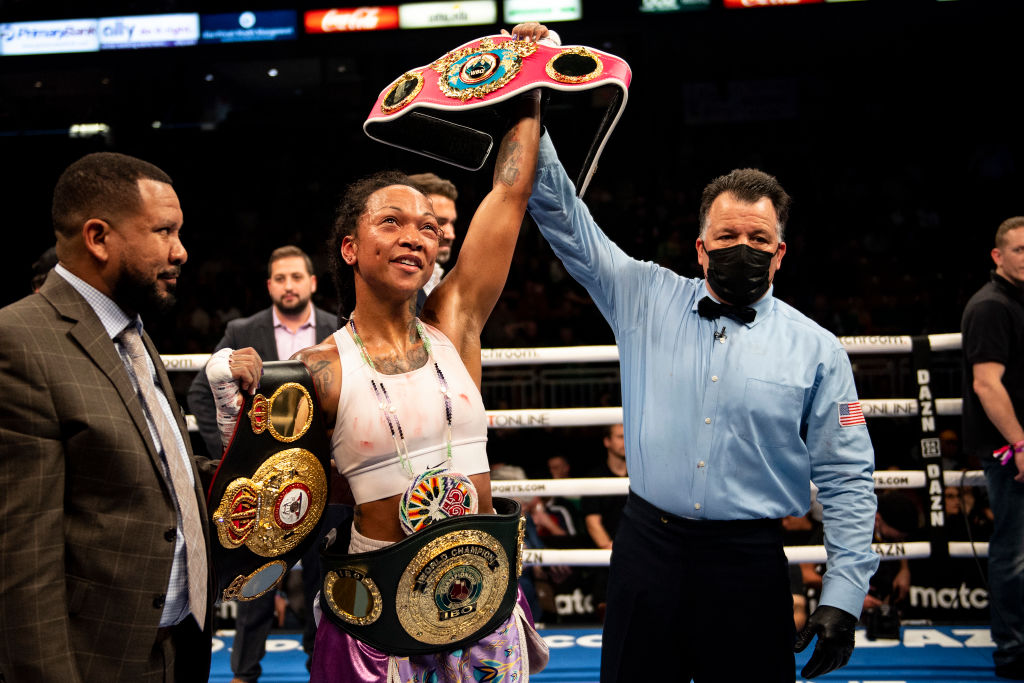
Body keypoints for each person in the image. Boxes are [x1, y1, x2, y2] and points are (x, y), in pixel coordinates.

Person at [213, 22, 551, 681]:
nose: (414, 236)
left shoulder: (455, 324)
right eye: (390, 222)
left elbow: (509, 193)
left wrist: (528, 78)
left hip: (482, 603)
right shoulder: (319, 369)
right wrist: (239, 395)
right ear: (350, 248)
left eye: (427, 227)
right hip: (379, 614)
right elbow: (279, 496)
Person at [526, 125, 879, 680]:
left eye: (759, 238)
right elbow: (565, 218)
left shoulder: (819, 350)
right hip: (647, 548)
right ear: (701, 247)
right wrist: (531, 116)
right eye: (727, 234)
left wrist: (845, 592)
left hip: (749, 562)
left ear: (780, 254)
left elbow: (847, 476)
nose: (743, 247)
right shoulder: (643, 295)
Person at [0, 152, 222, 681]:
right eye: (164, 231)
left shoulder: (131, 330)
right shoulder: (19, 340)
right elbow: (22, 559)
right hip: (98, 659)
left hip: (180, 647)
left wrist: (268, 464)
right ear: (98, 238)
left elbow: (154, 471)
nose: (181, 251)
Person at [187, 245, 340, 682]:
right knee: (253, 583)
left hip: (322, 479)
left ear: (312, 283)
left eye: (297, 277)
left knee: (323, 582)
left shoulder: (337, 330)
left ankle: (320, 670)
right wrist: (233, 454)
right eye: (281, 278)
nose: (289, 286)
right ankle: (243, 674)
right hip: (261, 484)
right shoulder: (243, 330)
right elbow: (200, 392)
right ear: (270, 285)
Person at [961, 215, 1024, 679]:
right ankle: (1014, 651)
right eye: (1019, 250)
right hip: (1011, 450)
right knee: (1015, 552)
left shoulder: (1016, 303)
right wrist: (1019, 443)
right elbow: (987, 383)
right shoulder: (991, 306)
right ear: (998, 256)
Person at [407, 172, 458, 299]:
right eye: (439, 222)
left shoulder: (436, 279)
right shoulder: (395, 284)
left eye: (452, 223)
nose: (451, 235)